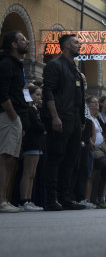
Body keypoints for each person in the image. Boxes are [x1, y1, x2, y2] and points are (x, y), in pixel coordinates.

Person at [41, 33, 87, 211]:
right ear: (66, 46)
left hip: (75, 120)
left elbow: (79, 97)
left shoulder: (75, 69)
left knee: (71, 159)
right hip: (61, 117)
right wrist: (54, 116)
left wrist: (81, 119)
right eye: (76, 42)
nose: (79, 45)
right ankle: (51, 199)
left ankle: (65, 197)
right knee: (55, 158)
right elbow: (48, 92)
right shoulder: (55, 65)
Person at [0, 31, 31, 212]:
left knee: (10, 159)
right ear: (13, 44)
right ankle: (1, 200)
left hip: (14, 117)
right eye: (22, 40)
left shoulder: (15, 64)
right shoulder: (6, 63)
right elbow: (3, 92)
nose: (26, 42)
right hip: (7, 116)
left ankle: (4, 198)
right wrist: (13, 116)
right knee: (5, 158)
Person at [19, 83, 45, 211]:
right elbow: (36, 126)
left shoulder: (36, 109)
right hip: (31, 142)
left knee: (32, 173)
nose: (40, 97)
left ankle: (29, 199)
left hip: (38, 143)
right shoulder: (28, 109)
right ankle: (24, 200)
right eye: (37, 94)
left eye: (41, 95)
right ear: (30, 95)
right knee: (27, 172)